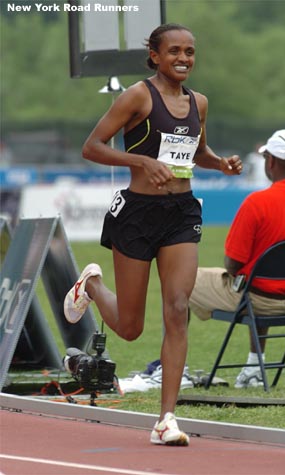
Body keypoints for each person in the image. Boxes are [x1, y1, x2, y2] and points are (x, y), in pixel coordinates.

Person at [63, 23, 242, 446]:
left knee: (177, 308)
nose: (183, 58)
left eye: (190, 52)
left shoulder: (199, 102)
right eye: (175, 51)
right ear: (155, 57)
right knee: (129, 327)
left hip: (181, 212)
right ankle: (90, 283)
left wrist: (222, 164)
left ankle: (166, 419)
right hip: (137, 214)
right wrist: (141, 164)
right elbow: (92, 146)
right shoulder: (138, 96)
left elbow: (197, 152)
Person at [188, 129, 285, 388]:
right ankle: (254, 368)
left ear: (271, 162)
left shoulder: (257, 203)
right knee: (256, 280)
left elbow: (231, 264)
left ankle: (171, 368)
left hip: (256, 300)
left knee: (180, 279)